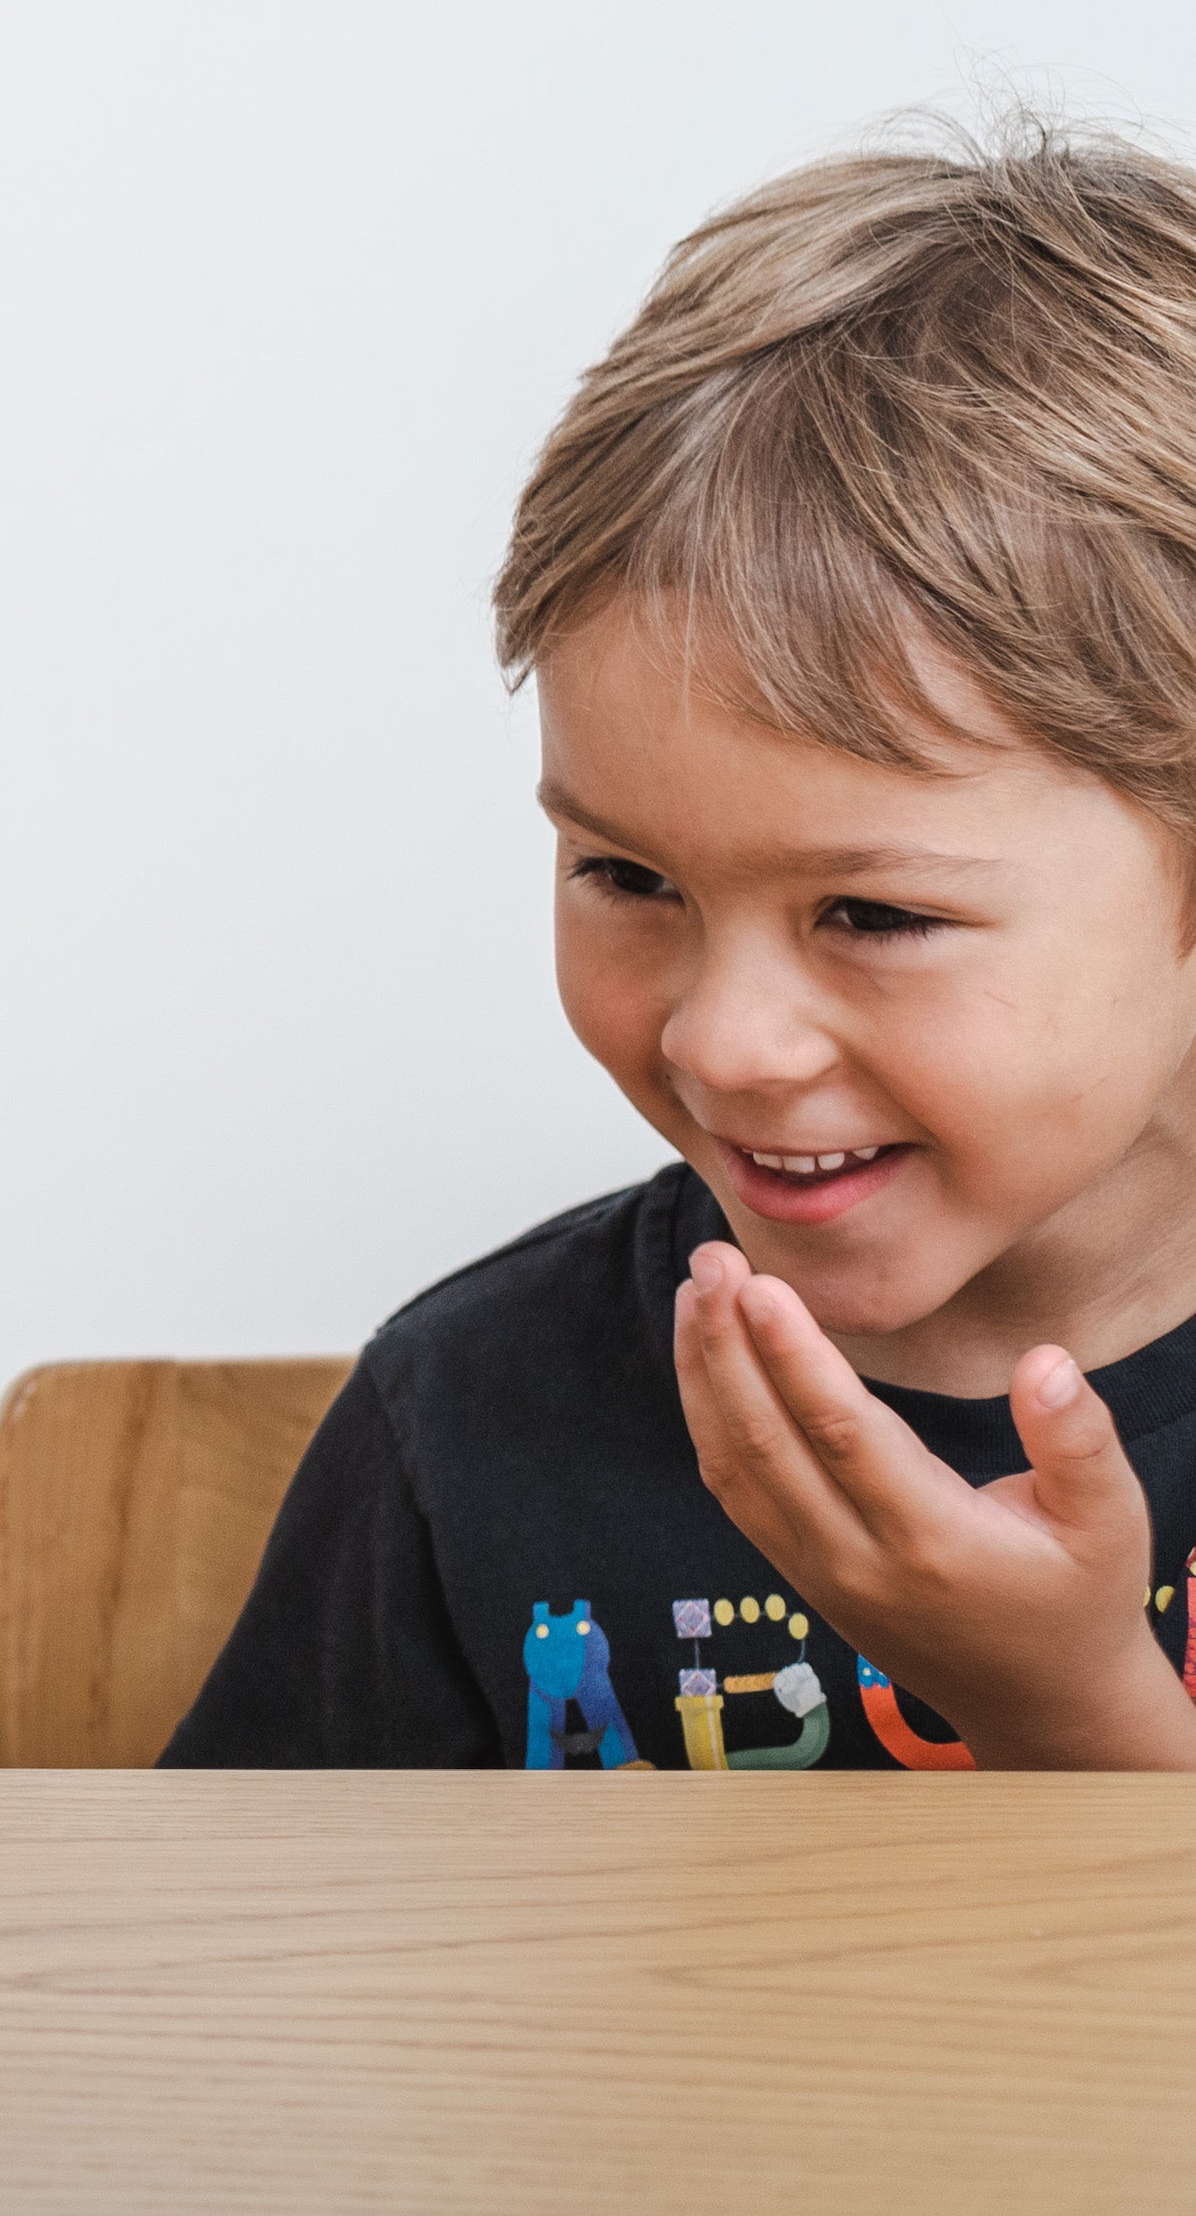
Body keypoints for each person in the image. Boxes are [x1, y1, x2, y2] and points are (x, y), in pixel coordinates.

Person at [171, 116, 1196, 1770]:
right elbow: (235, 2010)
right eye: (625, 876)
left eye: (871, 914)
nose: (722, 1042)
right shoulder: (469, 1418)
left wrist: (1066, 1719)